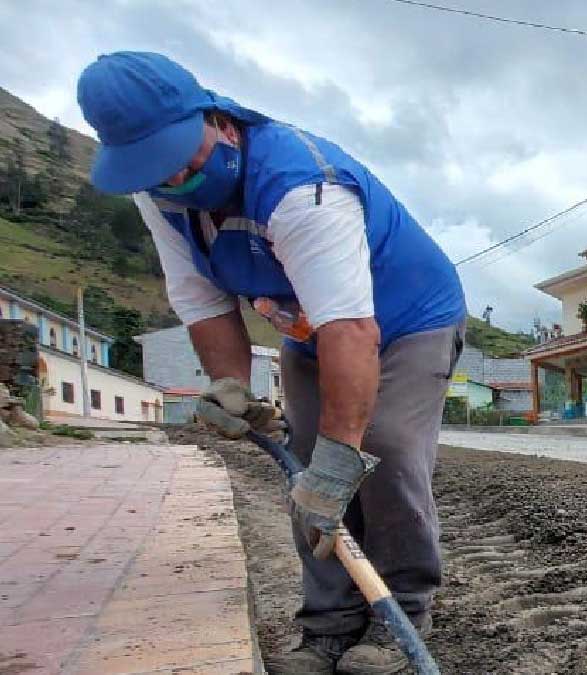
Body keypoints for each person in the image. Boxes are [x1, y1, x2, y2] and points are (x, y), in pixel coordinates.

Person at [77, 52, 466, 674]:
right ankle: (330, 625)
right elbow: (203, 302)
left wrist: (344, 460)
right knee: (307, 471)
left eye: (184, 159)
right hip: (313, 331)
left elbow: (352, 329)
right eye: (158, 171)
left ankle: (404, 611)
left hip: (406, 320)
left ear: (218, 120)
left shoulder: (303, 187)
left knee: (382, 449)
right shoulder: (159, 196)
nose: (175, 179)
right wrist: (229, 383)